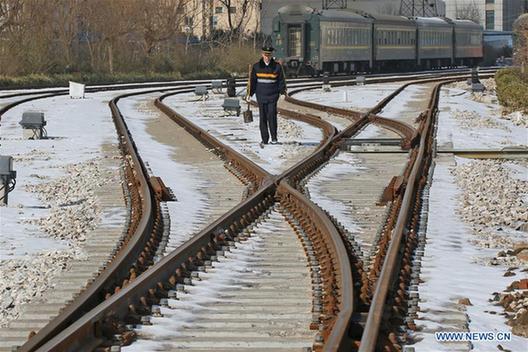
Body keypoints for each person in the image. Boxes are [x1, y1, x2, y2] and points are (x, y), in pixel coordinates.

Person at [247, 45, 287, 145]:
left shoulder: (277, 67)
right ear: (262, 55)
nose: (267, 57)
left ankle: (274, 138)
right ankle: (264, 139)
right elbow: (253, 81)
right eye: (265, 55)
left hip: (273, 96)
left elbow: (281, 81)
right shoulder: (256, 67)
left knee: (272, 116)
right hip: (261, 96)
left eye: (269, 55)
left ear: (271, 55)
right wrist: (249, 94)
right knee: (263, 117)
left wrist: (282, 92)